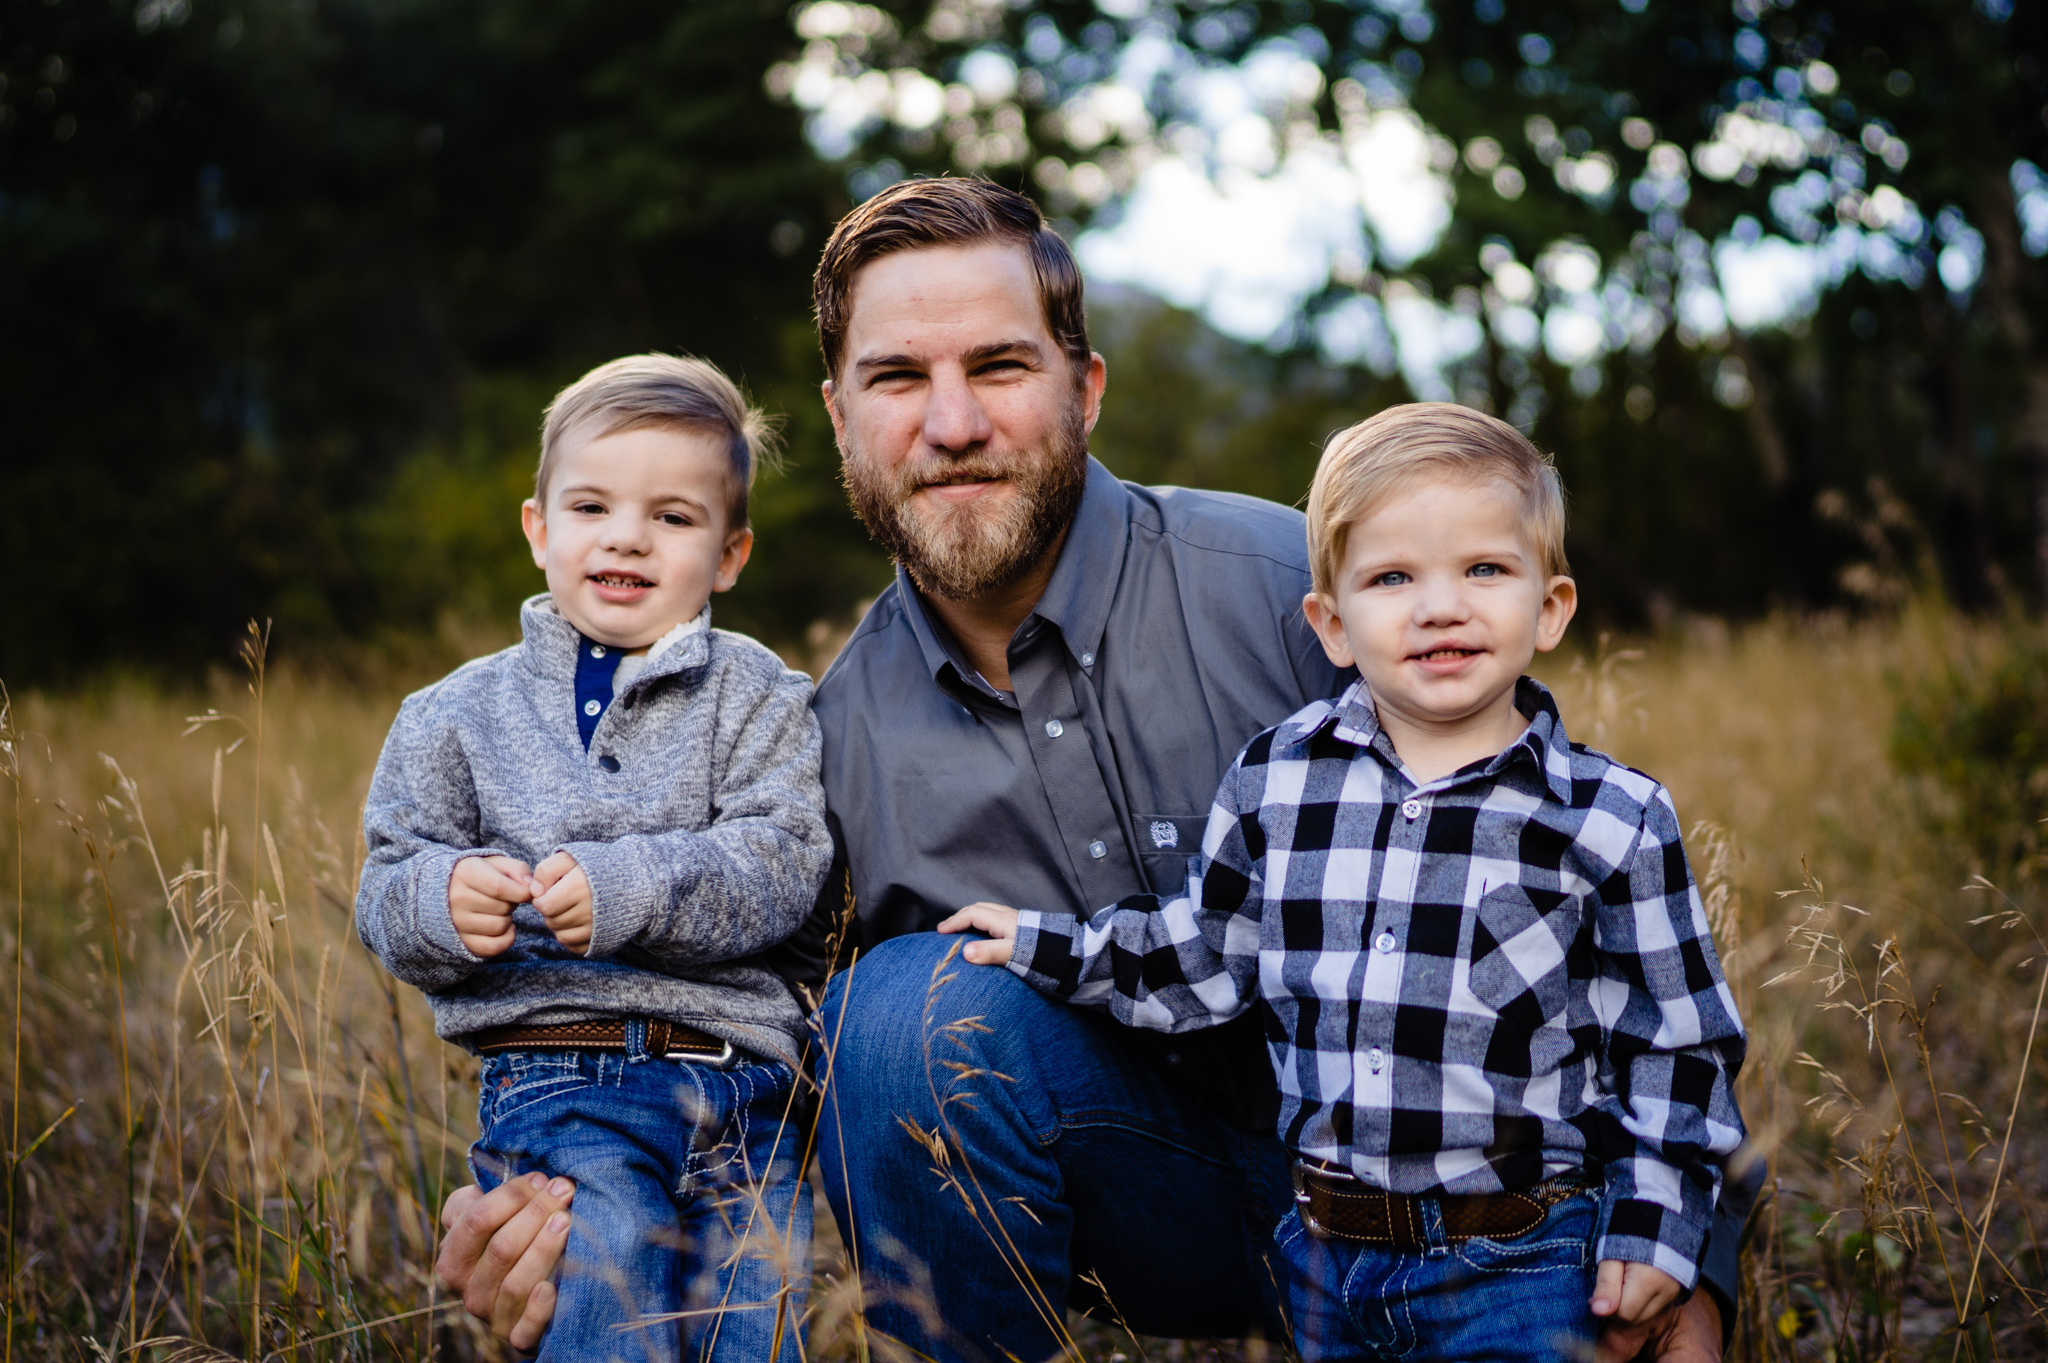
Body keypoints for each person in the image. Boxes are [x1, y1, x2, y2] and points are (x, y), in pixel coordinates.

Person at [433, 179, 1757, 1363]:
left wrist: (1688, 1255)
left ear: (1088, 386)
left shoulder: (1313, 592)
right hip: (1160, 1214)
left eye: (1000, 364)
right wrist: (562, 1189)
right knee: (893, 1014)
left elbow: (1594, 935)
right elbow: (738, 1035)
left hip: (1472, 1212)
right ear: (840, 420)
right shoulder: (820, 740)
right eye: (898, 379)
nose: (952, 423)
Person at [938, 402, 1747, 1361]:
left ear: (1552, 606)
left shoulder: (1609, 818)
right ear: (1332, 622)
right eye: (1393, 576)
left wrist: (1659, 1228)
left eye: (1485, 569)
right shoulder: (1279, 781)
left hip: (1522, 1259)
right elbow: (1202, 955)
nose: (1440, 605)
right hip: (1324, 1256)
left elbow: (1676, 1052)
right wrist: (1046, 946)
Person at [357, 354, 829, 1362]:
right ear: (538, 530)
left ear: (731, 553)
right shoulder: (452, 717)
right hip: (558, 1084)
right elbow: (386, 889)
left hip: (741, 1089)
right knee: (607, 1314)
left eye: (673, 516)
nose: (626, 535)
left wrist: (630, 888)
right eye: (591, 506)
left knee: (754, 1330)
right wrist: (442, 902)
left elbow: (783, 865)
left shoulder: (759, 697)